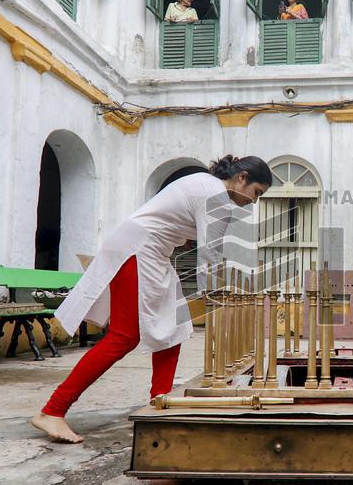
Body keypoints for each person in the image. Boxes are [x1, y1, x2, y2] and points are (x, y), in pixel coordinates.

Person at [31, 156, 272, 444]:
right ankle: (53, 410)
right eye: (257, 192)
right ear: (242, 177)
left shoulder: (205, 184)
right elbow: (210, 254)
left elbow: (181, 227)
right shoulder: (216, 195)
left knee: (172, 329)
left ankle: (161, 401)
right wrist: (216, 298)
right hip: (139, 251)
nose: (254, 202)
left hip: (150, 252)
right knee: (123, 337)